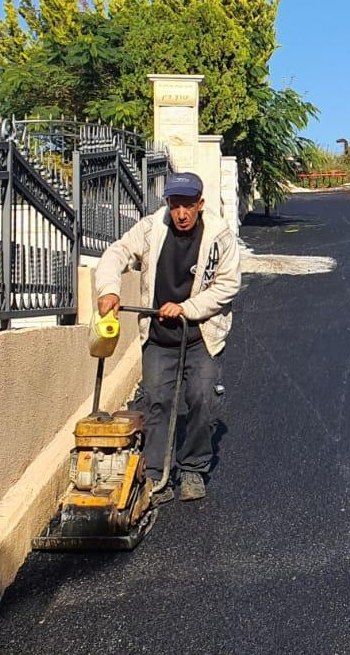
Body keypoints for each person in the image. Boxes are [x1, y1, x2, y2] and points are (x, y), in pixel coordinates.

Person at [95, 171, 241, 504]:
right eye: (175, 205)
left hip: (199, 334)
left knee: (202, 397)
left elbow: (228, 285)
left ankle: (192, 467)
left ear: (200, 204)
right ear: (168, 204)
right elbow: (116, 253)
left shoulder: (219, 235)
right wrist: (108, 290)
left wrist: (187, 307)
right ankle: (156, 473)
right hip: (159, 336)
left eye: (188, 205)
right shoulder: (151, 228)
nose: (181, 213)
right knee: (156, 402)